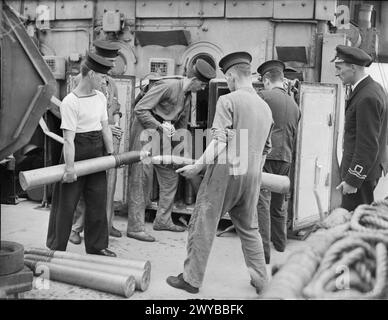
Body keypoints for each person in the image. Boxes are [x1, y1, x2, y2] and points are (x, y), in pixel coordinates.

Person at [166, 52, 273, 294]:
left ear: (233, 76)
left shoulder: (228, 101)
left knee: (203, 222)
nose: (229, 83)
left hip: (226, 172)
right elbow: (266, 149)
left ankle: (191, 280)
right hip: (253, 174)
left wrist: (198, 166)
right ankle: (262, 282)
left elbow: (219, 141)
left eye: (228, 79)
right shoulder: (265, 107)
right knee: (249, 228)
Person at [126, 59, 216, 242]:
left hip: (162, 132)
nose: (204, 89)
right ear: (195, 80)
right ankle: (135, 228)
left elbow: (181, 123)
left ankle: (163, 220)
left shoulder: (188, 95)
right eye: (203, 85)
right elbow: (140, 109)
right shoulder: (167, 86)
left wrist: (181, 153)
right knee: (141, 178)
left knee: (170, 173)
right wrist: (160, 126)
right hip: (145, 130)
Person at [46, 52, 116, 257]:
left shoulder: (101, 97)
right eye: (102, 77)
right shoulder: (71, 101)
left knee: (97, 201)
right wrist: (69, 169)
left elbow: (105, 128)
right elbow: (68, 139)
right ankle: (56, 248)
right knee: (66, 205)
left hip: (97, 152)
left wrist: (110, 155)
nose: (104, 81)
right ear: (91, 74)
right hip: (75, 152)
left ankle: (96, 246)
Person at [69, 40, 124, 245]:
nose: (111, 67)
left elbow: (116, 107)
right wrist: (106, 127)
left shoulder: (111, 82)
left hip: (109, 138)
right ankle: (75, 228)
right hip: (89, 139)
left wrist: (115, 124)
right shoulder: (79, 80)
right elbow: (79, 114)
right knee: (85, 187)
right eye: (108, 62)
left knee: (107, 185)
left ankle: (106, 223)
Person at [256, 60, 301, 264]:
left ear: (266, 80)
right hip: (286, 157)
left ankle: (264, 252)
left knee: (262, 203)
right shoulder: (294, 104)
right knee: (278, 203)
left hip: (267, 156)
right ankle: (280, 243)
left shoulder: (262, 97)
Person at [333, 45, 388, 211]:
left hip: (360, 177)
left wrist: (353, 180)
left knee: (355, 223)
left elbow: (368, 144)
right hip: (365, 172)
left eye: (339, 68)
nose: (337, 73)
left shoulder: (366, 97)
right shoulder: (373, 89)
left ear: (353, 67)